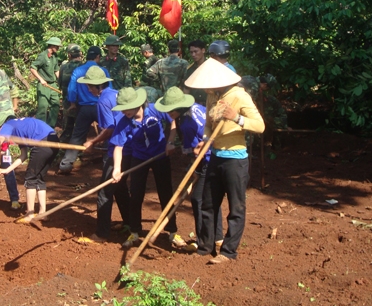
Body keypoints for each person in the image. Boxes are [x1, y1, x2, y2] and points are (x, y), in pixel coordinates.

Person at [184, 57, 265, 264]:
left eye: (208, 86)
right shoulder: (213, 97)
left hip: (235, 160)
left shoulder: (239, 96)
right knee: (208, 204)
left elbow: (259, 126)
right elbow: (209, 125)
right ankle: (205, 246)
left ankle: (228, 252)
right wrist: (205, 141)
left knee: (236, 207)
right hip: (216, 156)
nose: (206, 90)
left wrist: (235, 117)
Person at [110, 87, 187, 249]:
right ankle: (135, 232)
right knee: (136, 195)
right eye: (122, 109)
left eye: (127, 108)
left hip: (160, 156)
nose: (125, 112)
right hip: (139, 158)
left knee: (165, 194)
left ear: (138, 103)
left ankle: (172, 232)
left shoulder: (154, 109)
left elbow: (172, 122)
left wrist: (170, 142)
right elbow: (118, 146)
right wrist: (117, 169)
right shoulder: (124, 121)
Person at [156, 86, 223, 253]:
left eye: (170, 110)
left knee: (198, 199)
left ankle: (204, 241)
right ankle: (217, 238)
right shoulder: (197, 109)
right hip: (212, 157)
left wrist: (197, 167)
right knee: (210, 198)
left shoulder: (188, 121)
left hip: (207, 159)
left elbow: (200, 145)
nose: (168, 114)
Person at [78, 66, 130, 243]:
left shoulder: (102, 102)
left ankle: (101, 233)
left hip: (117, 148)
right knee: (120, 188)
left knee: (105, 192)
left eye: (89, 86)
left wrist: (92, 141)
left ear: (95, 86)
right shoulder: (115, 93)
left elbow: (109, 129)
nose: (88, 89)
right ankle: (130, 224)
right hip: (128, 147)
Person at [0, 117, 59, 223]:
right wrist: (7, 169)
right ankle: (43, 213)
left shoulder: (6, 126)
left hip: (42, 142)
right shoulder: (20, 131)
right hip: (53, 139)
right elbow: (23, 156)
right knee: (39, 177)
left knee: (30, 178)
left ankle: (29, 215)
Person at [58, 47, 111, 174]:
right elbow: (109, 89)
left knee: (77, 136)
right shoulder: (102, 70)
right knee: (108, 132)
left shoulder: (78, 70)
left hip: (84, 108)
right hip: (101, 106)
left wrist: (72, 103)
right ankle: (108, 163)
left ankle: (66, 164)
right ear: (98, 57)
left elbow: (72, 89)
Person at [30, 37, 62, 128]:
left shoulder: (55, 57)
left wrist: (61, 82)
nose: (58, 48)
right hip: (44, 85)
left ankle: (50, 126)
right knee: (43, 107)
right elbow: (33, 68)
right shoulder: (42, 56)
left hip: (53, 84)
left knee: (56, 104)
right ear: (52, 46)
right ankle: (40, 128)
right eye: (57, 46)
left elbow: (56, 71)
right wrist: (41, 79)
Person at [58, 44, 83, 143]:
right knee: (80, 128)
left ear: (69, 55)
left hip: (67, 102)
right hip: (81, 103)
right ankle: (78, 149)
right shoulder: (83, 67)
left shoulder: (63, 67)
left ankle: (63, 147)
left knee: (67, 127)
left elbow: (60, 84)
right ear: (80, 54)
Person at [182, 40, 207, 105]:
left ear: (203, 50)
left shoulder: (211, 66)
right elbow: (186, 89)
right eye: (191, 52)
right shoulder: (189, 70)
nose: (193, 55)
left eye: (196, 51)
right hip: (194, 104)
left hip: (209, 104)